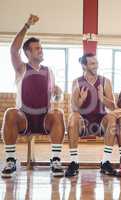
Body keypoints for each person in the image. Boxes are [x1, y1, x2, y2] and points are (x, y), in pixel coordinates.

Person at [1, 14, 65, 178]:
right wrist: (27, 25)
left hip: (44, 118)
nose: (41, 50)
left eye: (41, 48)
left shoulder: (48, 70)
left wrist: (58, 93)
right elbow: (13, 49)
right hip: (25, 118)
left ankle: (55, 160)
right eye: (37, 48)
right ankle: (10, 160)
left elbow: (56, 98)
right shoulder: (21, 68)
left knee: (58, 113)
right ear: (28, 52)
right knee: (10, 112)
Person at [65, 53, 119, 177]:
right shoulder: (77, 82)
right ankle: (74, 162)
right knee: (73, 118)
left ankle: (105, 162)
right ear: (84, 66)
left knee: (112, 118)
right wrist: (81, 100)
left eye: (96, 63)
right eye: (92, 63)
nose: (96, 66)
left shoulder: (105, 81)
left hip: (100, 122)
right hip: (83, 122)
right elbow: (73, 108)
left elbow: (112, 106)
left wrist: (102, 97)